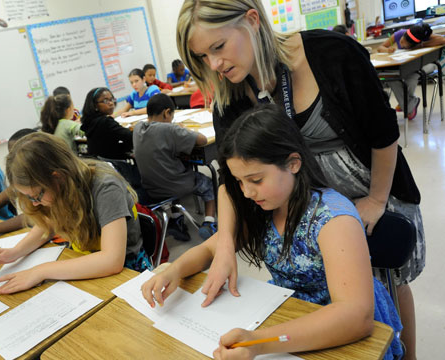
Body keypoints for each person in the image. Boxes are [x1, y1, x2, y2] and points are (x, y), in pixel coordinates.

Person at [176, 1, 424, 358]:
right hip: (301, 198)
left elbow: (384, 135)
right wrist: (226, 244)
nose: (214, 65)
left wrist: (375, 200)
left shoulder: (331, 54)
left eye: (218, 47)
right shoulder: (229, 95)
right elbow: (232, 181)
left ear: (252, 20)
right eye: (202, 57)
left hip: (370, 187)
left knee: (386, 282)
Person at [141, 105, 403, 360]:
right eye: (240, 181)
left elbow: (355, 316)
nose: (246, 192)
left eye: (256, 180)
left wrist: (258, 343)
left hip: (338, 327)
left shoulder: (333, 219)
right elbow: (212, 248)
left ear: (293, 164)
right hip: (289, 313)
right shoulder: (264, 208)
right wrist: (173, 271)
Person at [0, 132, 151, 294]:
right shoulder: (59, 188)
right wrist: (14, 253)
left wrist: (40, 271)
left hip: (127, 272)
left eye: (37, 196)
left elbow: (111, 260)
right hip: (84, 259)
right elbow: (48, 224)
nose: (35, 204)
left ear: (58, 177)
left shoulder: (105, 187)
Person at [133, 93, 217, 240]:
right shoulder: (170, 130)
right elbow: (202, 140)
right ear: (167, 112)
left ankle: (176, 219)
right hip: (176, 185)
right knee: (208, 183)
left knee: (170, 171)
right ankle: (209, 223)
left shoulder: (138, 128)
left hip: (151, 188)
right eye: (171, 116)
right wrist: (182, 129)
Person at [377, 23, 445, 120]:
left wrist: (421, 45)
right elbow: (380, 48)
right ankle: (410, 104)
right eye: (402, 41)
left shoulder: (422, 35)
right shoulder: (400, 33)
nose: (401, 44)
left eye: (405, 46)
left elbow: (443, 39)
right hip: (406, 64)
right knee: (391, 77)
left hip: (427, 63)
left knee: (412, 75)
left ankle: (405, 103)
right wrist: (387, 50)